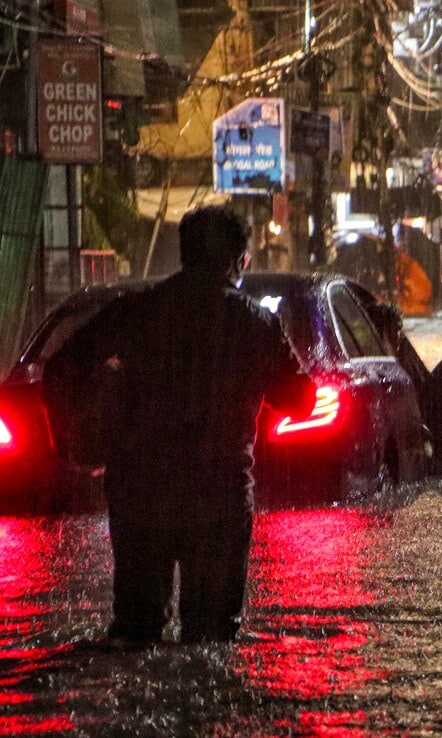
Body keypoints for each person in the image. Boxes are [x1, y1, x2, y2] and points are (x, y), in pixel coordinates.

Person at [44, 206, 314, 647]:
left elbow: (60, 369)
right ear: (237, 261)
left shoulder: (135, 311)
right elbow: (300, 399)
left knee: (134, 635)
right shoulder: (254, 323)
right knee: (209, 641)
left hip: (139, 494)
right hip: (218, 499)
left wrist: (71, 446)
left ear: (184, 255)